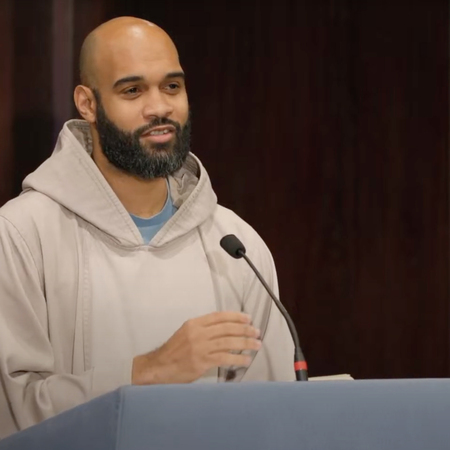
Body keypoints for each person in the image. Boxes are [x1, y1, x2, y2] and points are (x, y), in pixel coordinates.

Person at [0, 17, 294, 438]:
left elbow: (272, 420)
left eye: (172, 86)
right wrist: (151, 370)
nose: (159, 107)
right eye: (132, 90)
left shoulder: (236, 246)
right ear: (87, 103)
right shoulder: (21, 235)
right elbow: (11, 413)